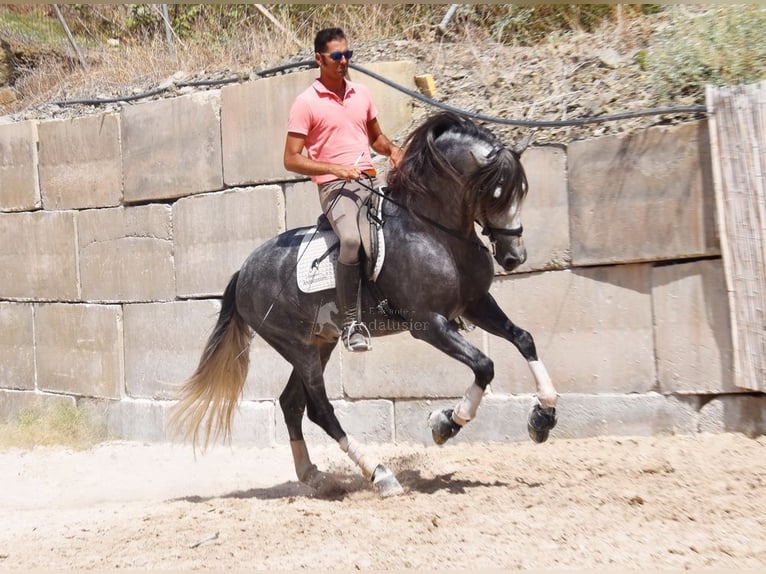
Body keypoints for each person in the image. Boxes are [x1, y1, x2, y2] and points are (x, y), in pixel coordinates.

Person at [284, 27, 403, 352]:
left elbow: (375, 138)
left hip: (368, 181)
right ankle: (351, 323)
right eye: (337, 56)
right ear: (319, 59)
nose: (343, 61)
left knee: (406, 226)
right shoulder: (306, 103)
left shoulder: (361, 94)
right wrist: (335, 169)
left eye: (348, 55)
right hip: (336, 189)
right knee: (351, 240)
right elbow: (291, 159)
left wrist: (392, 149)